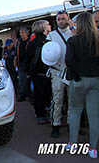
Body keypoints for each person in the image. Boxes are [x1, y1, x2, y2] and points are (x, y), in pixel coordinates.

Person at [65, 12, 99, 159]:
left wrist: (77, 75)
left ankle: (72, 143)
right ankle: (93, 148)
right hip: (95, 81)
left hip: (78, 81)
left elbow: (69, 61)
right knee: (94, 116)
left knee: (75, 111)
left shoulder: (73, 40)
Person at [46, 10, 73, 138]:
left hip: (72, 72)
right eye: (58, 19)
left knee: (73, 101)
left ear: (68, 19)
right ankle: (55, 125)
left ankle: (71, 125)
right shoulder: (51, 35)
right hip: (56, 71)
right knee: (57, 100)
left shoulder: (74, 33)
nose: (61, 21)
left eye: (63, 18)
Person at [26, 20, 52, 124]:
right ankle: (45, 114)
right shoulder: (47, 41)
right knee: (46, 95)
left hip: (35, 73)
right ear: (43, 28)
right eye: (48, 24)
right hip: (45, 72)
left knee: (38, 95)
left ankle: (40, 115)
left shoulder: (32, 42)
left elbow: (28, 59)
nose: (50, 26)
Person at [15, 27, 31, 102]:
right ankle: (22, 95)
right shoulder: (18, 42)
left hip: (29, 64)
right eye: (20, 33)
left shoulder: (30, 41)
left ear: (26, 33)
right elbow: (16, 52)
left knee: (29, 80)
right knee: (21, 80)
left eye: (22, 33)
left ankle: (30, 95)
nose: (21, 34)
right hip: (20, 63)